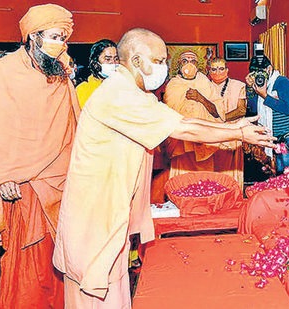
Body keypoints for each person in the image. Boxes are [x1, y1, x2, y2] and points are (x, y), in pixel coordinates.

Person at [52, 28, 275, 308]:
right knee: (95, 290)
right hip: (96, 209)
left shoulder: (135, 92)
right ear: (135, 61)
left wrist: (232, 126)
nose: (164, 68)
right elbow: (183, 126)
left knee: (114, 287)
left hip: (112, 206)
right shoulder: (119, 95)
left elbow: (178, 119)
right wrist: (237, 134)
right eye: (158, 61)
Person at [0, 4, 79, 308]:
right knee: (27, 271)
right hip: (23, 186)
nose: (60, 44)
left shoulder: (61, 71)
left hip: (61, 183)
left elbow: (71, 124)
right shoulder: (6, 70)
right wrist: (1, 179)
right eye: (54, 36)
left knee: (62, 264)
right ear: (33, 36)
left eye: (64, 38)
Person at [163, 50, 228, 179]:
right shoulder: (173, 85)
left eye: (193, 61)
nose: (189, 64)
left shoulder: (205, 82)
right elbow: (170, 113)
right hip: (182, 143)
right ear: (178, 65)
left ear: (198, 65)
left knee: (205, 181)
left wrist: (201, 98)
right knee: (182, 181)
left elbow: (218, 113)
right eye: (185, 61)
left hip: (204, 141)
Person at [246, 54, 289, 176]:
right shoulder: (257, 85)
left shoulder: (282, 82)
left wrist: (265, 95)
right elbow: (253, 109)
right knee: (279, 171)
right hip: (273, 135)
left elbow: (287, 109)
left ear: (269, 69)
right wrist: (251, 89)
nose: (258, 76)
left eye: (261, 72)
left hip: (288, 134)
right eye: (254, 73)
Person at [208, 57, 247, 188]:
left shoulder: (238, 85)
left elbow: (241, 110)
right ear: (209, 71)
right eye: (214, 69)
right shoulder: (204, 87)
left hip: (233, 133)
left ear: (227, 70)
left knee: (232, 173)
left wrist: (221, 119)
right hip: (211, 135)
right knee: (213, 172)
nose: (217, 72)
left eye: (221, 69)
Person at [76, 39, 120, 108]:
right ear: (95, 63)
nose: (113, 63)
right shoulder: (83, 90)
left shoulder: (124, 86)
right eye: (108, 59)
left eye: (116, 59)